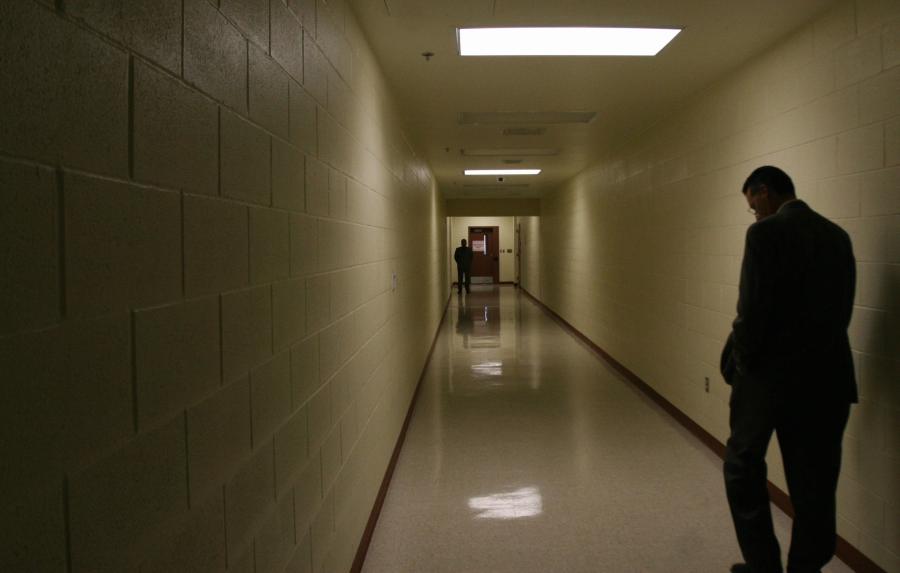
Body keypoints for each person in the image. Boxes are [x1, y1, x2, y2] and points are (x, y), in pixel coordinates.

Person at [721, 166, 857, 573]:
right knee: (815, 484)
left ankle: (764, 566)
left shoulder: (765, 234)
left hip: (768, 379)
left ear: (764, 192)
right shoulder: (837, 235)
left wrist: (739, 362)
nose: (755, 214)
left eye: (753, 206)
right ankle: (805, 567)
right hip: (828, 380)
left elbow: (752, 310)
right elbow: (841, 312)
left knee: (742, 468)